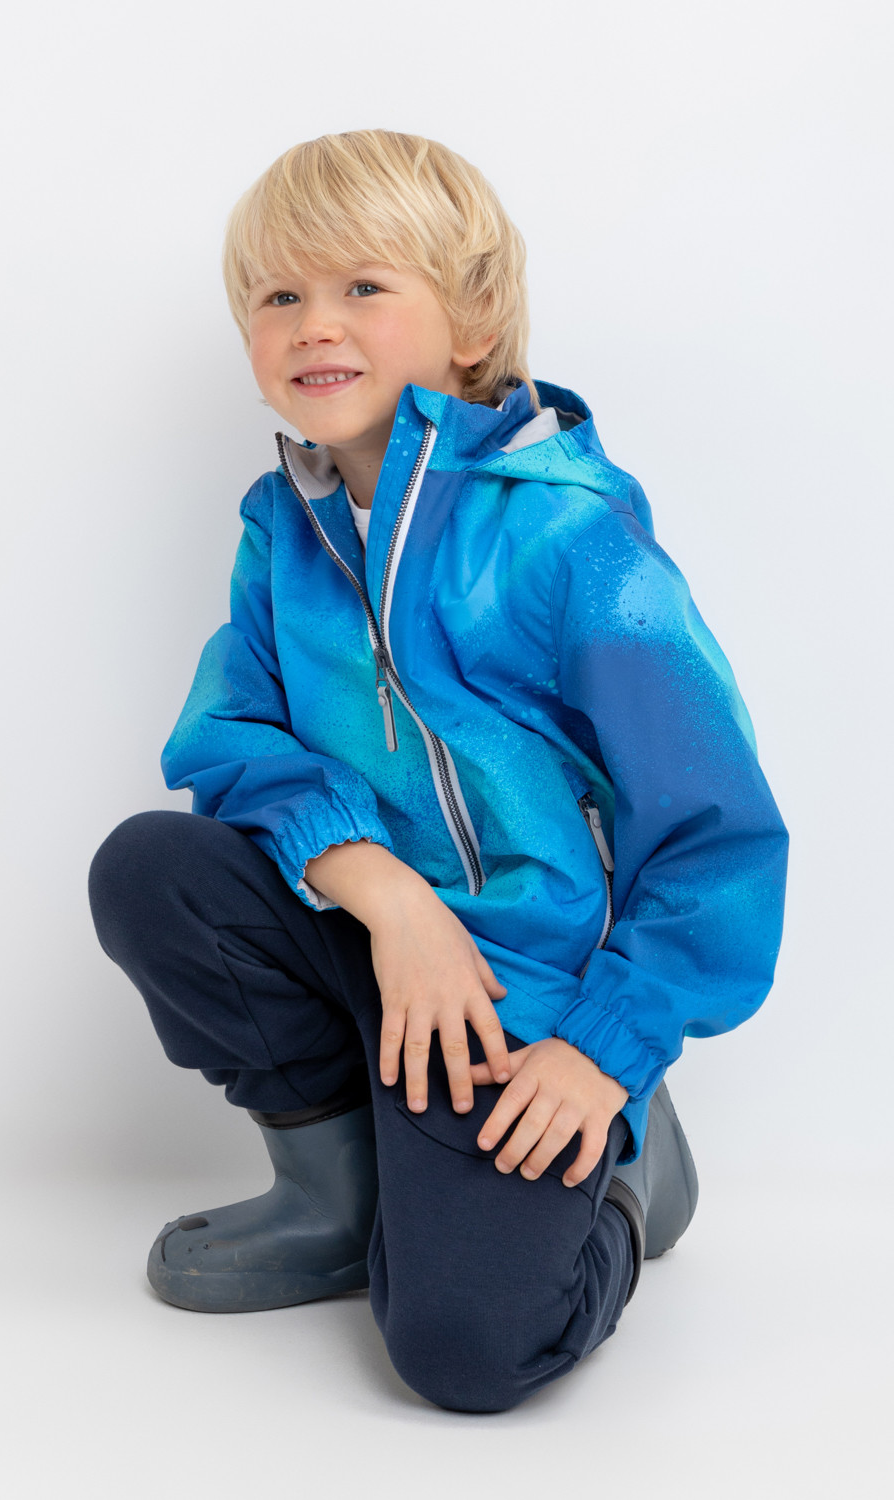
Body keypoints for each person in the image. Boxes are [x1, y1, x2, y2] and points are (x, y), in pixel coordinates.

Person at [88, 129, 789, 1413]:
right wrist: (391, 899)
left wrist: (604, 1047)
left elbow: (716, 834)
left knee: (468, 1352)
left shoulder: (569, 534)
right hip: (380, 944)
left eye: (362, 286)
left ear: (469, 324)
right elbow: (230, 736)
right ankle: (338, 1196)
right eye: (279, 295)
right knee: (152, 869)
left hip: (524, 993)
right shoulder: (285, 528)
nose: (313, 322)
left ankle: (628, 1174)